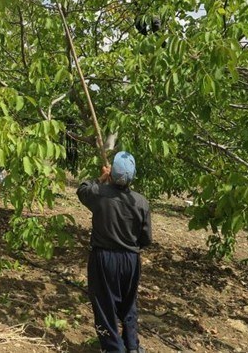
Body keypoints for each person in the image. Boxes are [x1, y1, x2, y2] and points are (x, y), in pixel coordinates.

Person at [77, 151, 152, 353]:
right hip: (131, 259)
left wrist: (101, 178)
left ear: (111, 174)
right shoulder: (141, 202)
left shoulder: (99, 194)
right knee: (128, 304)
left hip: (104, 258)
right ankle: (132, 346)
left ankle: (113, 349)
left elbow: (82, 189)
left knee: (104, 305)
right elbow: (146, 238)